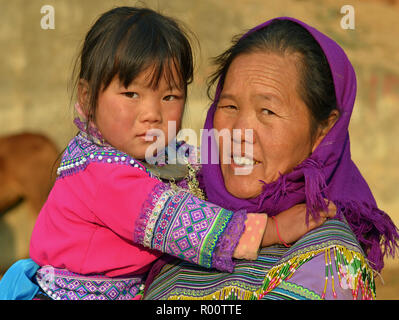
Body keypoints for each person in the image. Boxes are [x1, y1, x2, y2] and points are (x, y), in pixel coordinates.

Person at [0, 8, 331, 301]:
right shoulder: (103, 174)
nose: (152, 113)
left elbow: (206, 168)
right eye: (131, 93)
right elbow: (181, 222)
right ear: (87, 99)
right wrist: (273, 229)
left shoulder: (158, 151)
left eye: (170, 96)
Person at [143, 17, 399, 300]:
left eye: (268, 111)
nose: (239, 132)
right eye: (229, 105)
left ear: (323, 131)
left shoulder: (329, 260)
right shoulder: (182, 219)